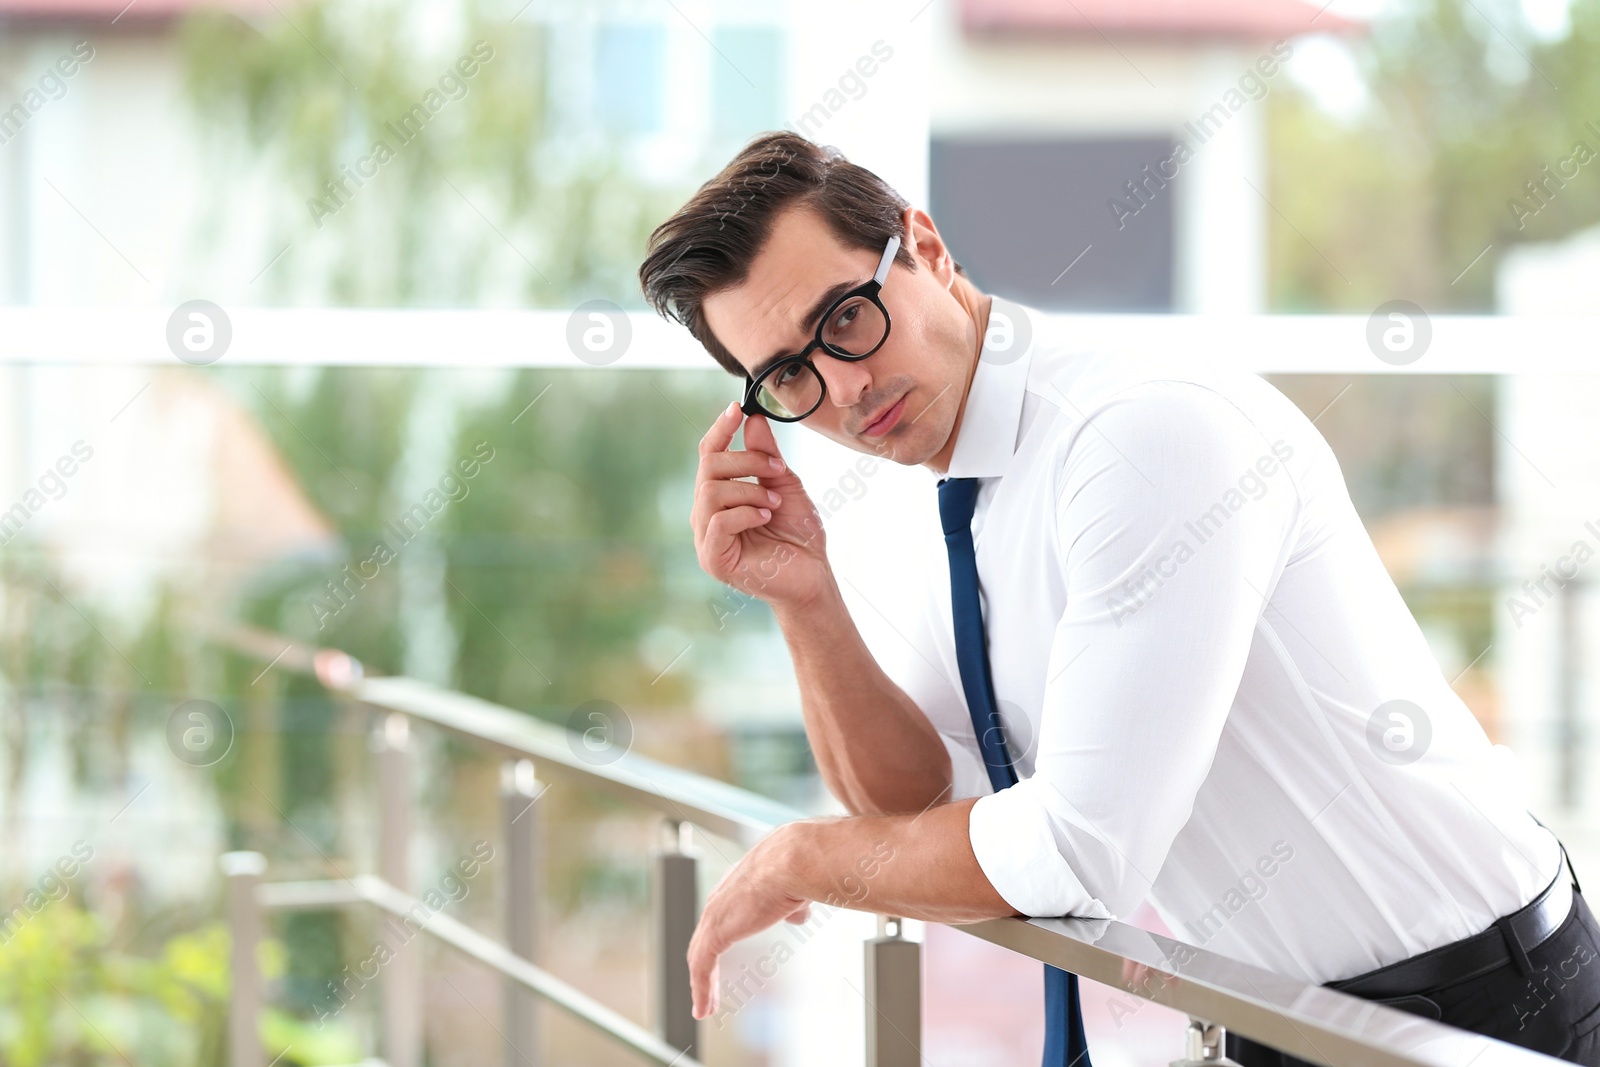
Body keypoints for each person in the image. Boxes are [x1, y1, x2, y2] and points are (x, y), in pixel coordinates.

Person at [636, 130, 1600, 1066]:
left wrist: (803, 857)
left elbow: (1081, 853)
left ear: (925, 246)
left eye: (845, 315)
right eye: (790, 374)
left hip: (1482, 1016)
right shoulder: (956, 489)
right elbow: (922, 802)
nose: (842, 388)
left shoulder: (1139, 435)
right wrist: (805, 599)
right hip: (1281, 1025)